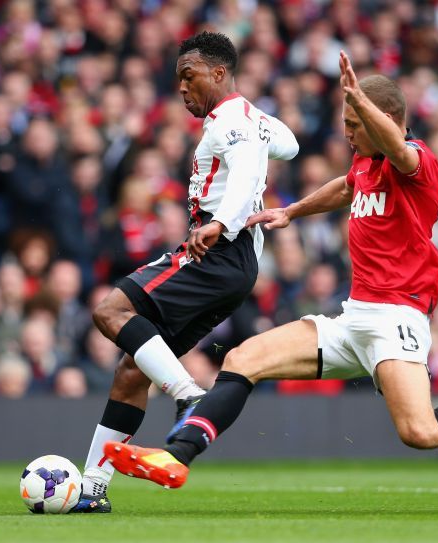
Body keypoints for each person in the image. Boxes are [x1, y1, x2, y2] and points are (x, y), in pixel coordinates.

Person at [102, 51, 438, 490]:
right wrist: (292, 212)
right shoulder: (364, 163)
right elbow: (344, 187)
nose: (347, 133)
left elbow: (399, 149)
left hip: (397, 319)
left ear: (387, 120)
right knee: (242, 360)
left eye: (354, 123)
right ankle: (176, 457)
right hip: (353, 316)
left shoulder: (419, 164)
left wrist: (360, 98)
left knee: (420, 433)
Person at [72, 31, 299, 512]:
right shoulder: (247, 118)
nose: (181, 87)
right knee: (133, 369)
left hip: (215, 251)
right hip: (236, 265)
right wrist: (261, 126)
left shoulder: (229, 121)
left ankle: (189, 396)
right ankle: (92, 487)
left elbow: (239, 175)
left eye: (188, 75)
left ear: (218, 73)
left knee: (110, 312)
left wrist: (220, 221)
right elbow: (291, 145)